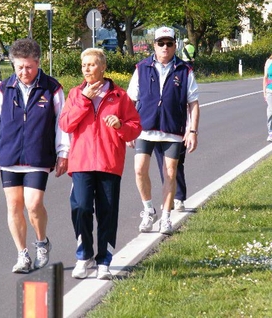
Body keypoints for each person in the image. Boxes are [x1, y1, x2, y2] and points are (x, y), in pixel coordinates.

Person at [0, 38, 70, 273]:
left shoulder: (52, 88)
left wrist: (63, 153)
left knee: (33, 204)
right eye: (19, 66)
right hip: (9, 156)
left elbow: (62, 124)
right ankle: (23, 255)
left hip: (38, 156)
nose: (24, 72)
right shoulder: (4, 89)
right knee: (13, 205)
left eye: (28, 66)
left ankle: (41, 242)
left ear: (38, 63)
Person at [59, 48, 141, 280]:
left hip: (109, 161)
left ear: (103, 67)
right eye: (83, 65)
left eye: (91, 64)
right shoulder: (76, 94)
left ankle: (104, 260)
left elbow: (135, 126)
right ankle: (84, 256)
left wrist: (120, 126)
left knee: (107, 212)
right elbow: (65, 124)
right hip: (81, 162)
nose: (86, 68)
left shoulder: (119, 96)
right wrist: (85, 100)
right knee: (82, 208)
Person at [127, 26, 199, 235]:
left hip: (172, 130)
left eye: (169, 43)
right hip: (144, 129)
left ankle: (166, 216)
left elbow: (193, 103)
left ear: (175, 45)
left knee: (170, 173)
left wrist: (192, 130)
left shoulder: (185, 71)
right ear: (154, 45)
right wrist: (129, 129)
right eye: (161, 43)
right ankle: (149, 210)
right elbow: (131, 101)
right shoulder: (141, 68)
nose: (165, 47)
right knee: (139, 169)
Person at [263, 54, 272, 141]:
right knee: (271, 111)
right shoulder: (269, 62)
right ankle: (270, 132)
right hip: (270, 90)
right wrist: (264, 91)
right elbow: (265, 77)